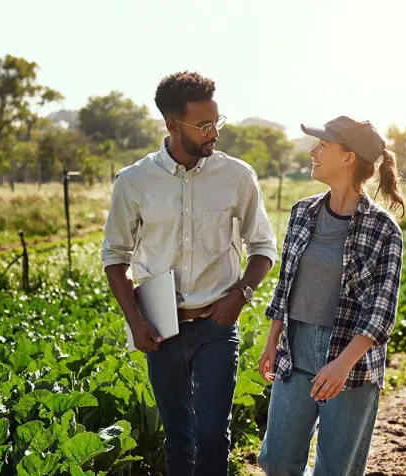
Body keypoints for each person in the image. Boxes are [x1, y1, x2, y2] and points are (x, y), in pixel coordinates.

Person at [100, 71, 278, 476]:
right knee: (178, 440)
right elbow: (115, 256)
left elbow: (263, 248)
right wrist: (136, 321)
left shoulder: (237, 176)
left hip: (217, 324)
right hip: (161, 329)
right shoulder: (133, 181)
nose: (213, 132)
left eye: (217, 121)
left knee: (214, 436)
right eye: (203, 125)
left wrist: (240, 296)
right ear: (172, 125)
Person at [257, 116, 406, 476]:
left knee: (335, 470)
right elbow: (286, 284)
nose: (314, 152)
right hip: (297, 348)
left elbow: (381, 312)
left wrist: (343, 363)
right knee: (276, 461)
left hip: (352, 360)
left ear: (348, 157)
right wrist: (272, 340)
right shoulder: (302, 212)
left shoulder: (384, 229)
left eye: (323, 146)